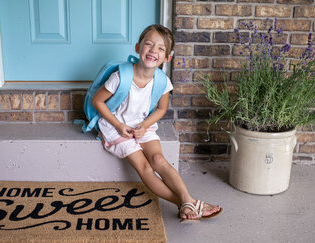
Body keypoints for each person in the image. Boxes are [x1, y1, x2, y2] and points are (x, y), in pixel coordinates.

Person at [92, 24, 221, 222]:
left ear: (168, 57)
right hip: (117, 127)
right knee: (145, 168)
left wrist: (144, 125)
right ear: (137, 47)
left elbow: (161, 109)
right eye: (149, 44)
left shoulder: (162, 81)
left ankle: (187, 200)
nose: (153, 50)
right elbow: (98, 101)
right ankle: (186, 204)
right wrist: (118, 125)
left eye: (161, 48)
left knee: (159, 160)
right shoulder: (120, 77)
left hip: (142, 124)